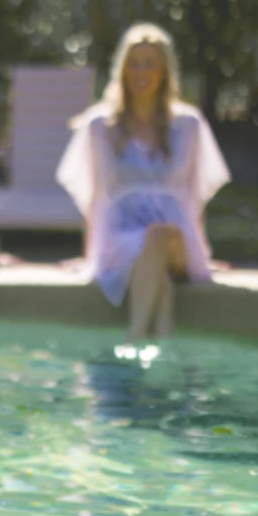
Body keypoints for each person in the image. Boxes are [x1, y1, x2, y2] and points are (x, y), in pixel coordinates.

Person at [57, 23, 231, 341]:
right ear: (122, 69)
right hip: (118, 237)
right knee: (155, 261)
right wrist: (89, 255)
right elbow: (94, 195)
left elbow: (195, 196)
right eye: (134, 62)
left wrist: (202, 253)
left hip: (175, 237)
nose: (141, 71)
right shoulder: (99, 125)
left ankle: (134, 340)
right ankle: (160, 341)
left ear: (164, 70)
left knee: (159, 235)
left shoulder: (189, 124)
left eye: (150, 63)